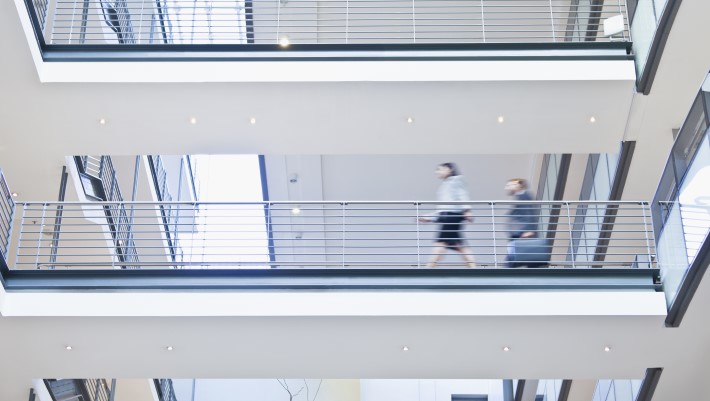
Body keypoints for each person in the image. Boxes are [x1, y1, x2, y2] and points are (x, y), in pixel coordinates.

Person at [418, 163, 476, 268]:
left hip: (452, 216)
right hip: (449, 216)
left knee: (440, 243)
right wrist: (430, 217)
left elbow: (462, 195)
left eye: (440, 169)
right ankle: (473, 268)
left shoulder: (456, 180)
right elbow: (443, 207)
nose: (437, 172)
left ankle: (428, 269)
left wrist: (467, 210)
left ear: (450, 169)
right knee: (459, 245)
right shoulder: (446, 184)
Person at [505, 178, 540, 267]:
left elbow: (529, 212)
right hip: (520, 234)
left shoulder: (524, 196)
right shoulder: (521, 196)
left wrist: (529, 230)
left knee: (511, 260)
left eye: (509, 185)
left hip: (523, 234)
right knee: (524, 258)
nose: (507, 187)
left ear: (518, 184)